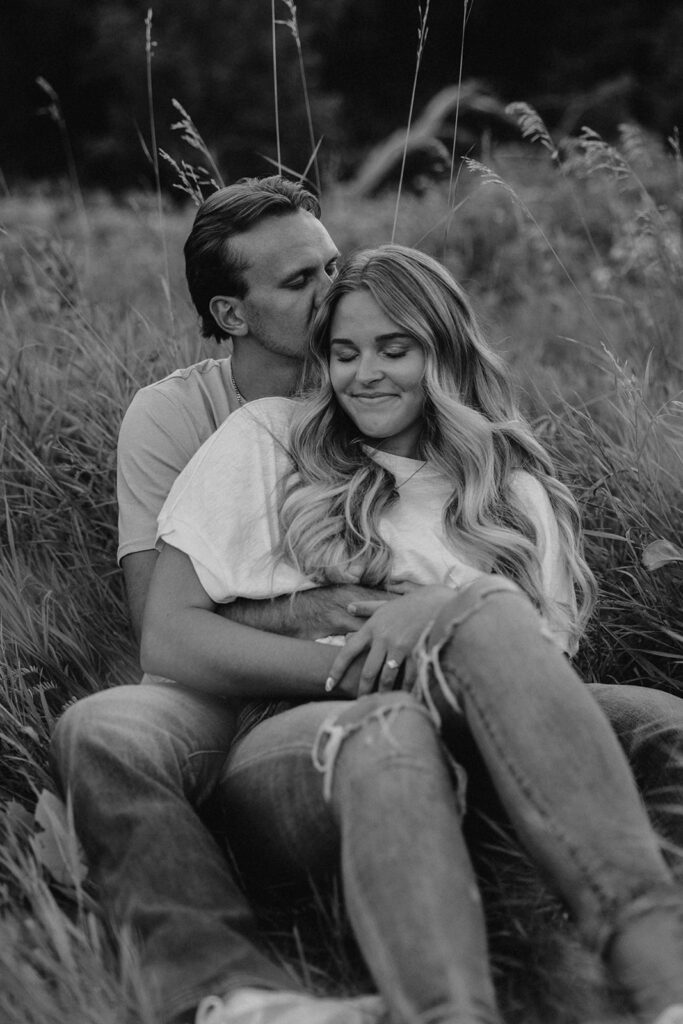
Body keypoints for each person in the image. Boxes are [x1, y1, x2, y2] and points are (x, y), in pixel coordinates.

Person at [51, 177, 683, 1024]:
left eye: (391, 343)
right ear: (235, 314)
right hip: (299, 716)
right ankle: (280, 995)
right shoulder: (252, 434)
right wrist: (367, 647)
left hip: (478, 709)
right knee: (141, 727)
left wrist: (440, 614)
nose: (348, 347)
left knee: (655, 716)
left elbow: (537, 662)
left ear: (440, 349)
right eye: (342, 344)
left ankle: (648, 972)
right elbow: (165, 630)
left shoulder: (506, 477)